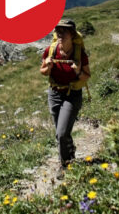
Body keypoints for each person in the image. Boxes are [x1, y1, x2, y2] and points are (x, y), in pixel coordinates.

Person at [39, 18, 91, 170]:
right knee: (61, 133)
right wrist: (48, 68)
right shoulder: (50, 50)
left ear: (72, 34)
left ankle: (65, 166)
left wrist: (77, 70)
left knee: (61, 133)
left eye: (65, 31)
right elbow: (42, 71)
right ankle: (70, 153)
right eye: (58, 30)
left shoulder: (80, 54)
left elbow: (86, 76)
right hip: (54, 93)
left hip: (72, 94)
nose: (60, 34)